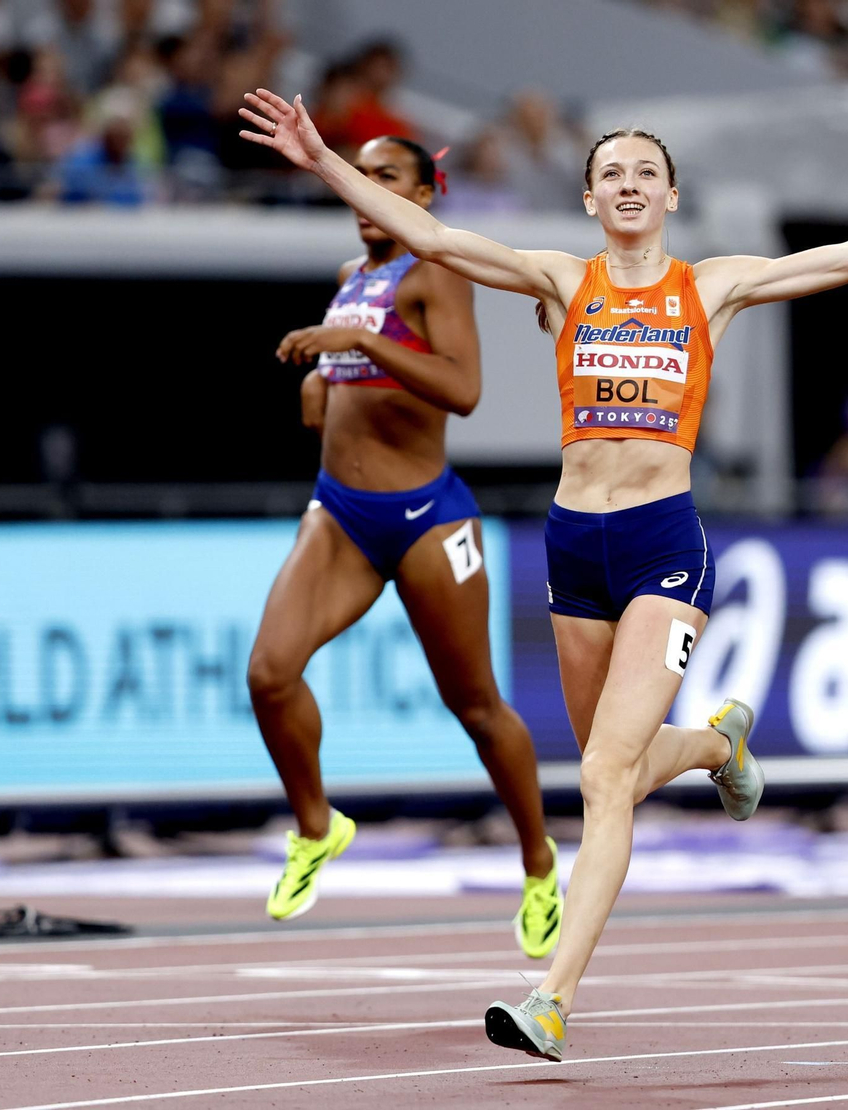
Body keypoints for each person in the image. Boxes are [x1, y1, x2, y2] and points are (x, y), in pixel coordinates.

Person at [239, 87, 848, 1060]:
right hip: (572, 546)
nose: (628, 186)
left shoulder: (711, 286)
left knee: (598, 774)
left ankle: (552, 999)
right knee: (616, 775)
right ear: (590, 200)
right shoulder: (558, 279)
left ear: (669, 197)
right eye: (611, 174)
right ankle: (717, 748)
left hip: (663, 545)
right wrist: (321, 160)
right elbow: (435, 234)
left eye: (645, 174)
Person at [246, 135, 561, 961]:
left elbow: (463, 390)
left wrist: (357, 347)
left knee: (479, 710)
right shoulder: (353, 281)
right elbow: (335, 405)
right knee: (269, 674)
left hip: (428, 519)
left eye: (385, 176)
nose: (366, 188)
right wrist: (319, 386)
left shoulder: (436, 271)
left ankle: (538, 864)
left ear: (423, 196)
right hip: (342, 513)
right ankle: (317, 826)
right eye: (360, 175)